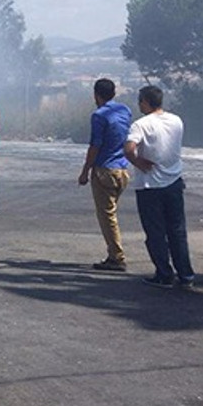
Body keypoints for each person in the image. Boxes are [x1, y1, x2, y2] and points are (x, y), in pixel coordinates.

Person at [125, 85, 195, 289]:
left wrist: (139, 163)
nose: (139, 104)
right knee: (177, 231)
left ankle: (164, 274)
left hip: (150, 186)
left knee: (155, 233)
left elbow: (128, 149)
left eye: (140, 101)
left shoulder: (140, 125)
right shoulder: (176, 121)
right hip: (174, 182)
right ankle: (186, 274)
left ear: (146, 102)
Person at [79, 79, 133, 271]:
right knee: (111, 213)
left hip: (105, 170)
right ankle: (115, 253)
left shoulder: (99, 116)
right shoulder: (125, 110)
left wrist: (85, 170)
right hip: (122, 169)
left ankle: (116, 257)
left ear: (96, 94)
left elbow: (95, 145)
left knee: (106, 215)